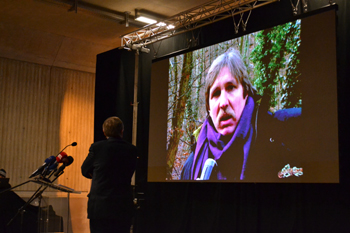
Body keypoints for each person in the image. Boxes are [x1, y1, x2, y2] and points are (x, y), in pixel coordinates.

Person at [181, 48, 302, 182]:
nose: (223, 103)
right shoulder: (191, 165)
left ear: (245, 94)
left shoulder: (284, 133)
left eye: (231, 87)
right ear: (209, 108)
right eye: (215, 93)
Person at [82, 116, 138, 233]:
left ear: (104, 132)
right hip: (122, 206)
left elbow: (84, 169)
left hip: (100, 207)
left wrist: (98, 175)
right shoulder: (132, 150)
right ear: (122, 131)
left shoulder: (97, 147)